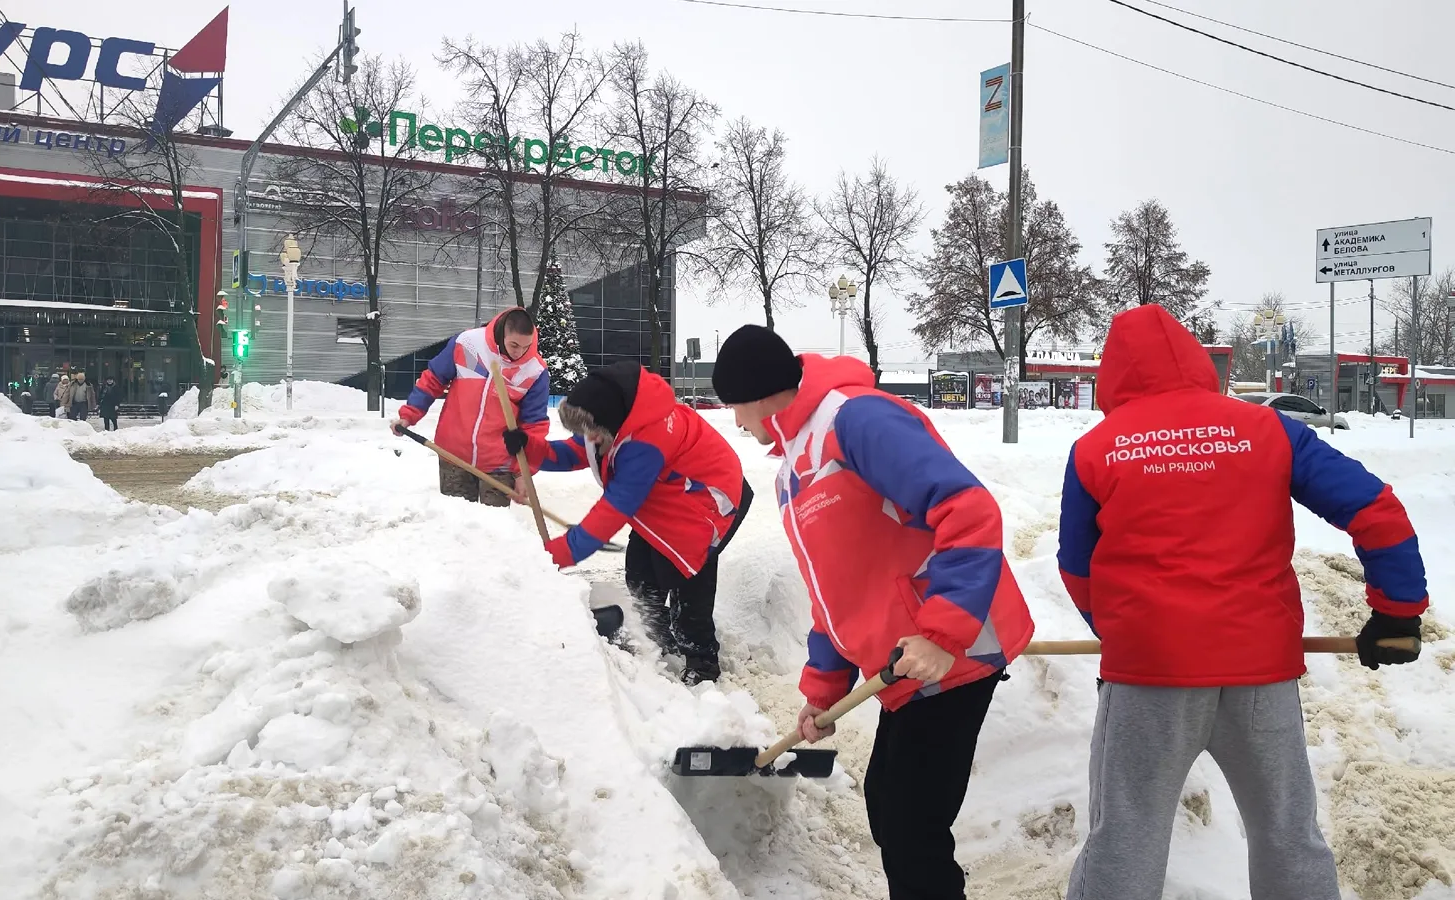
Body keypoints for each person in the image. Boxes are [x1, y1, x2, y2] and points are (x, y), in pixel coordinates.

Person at [1056, 305, 1427, 900]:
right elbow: (1374, 510)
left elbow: (1076, 567)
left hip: (1150, 675)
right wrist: (1397, 610)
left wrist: (1121, 631)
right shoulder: (1268, 428)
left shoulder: (1098, 448)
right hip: (1262, 673)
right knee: (1288, 836)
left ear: (1112, 373)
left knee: (1127, 839)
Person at [710, 325, 1033, 900]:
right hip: (907, 665)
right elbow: (833, 593)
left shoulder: (856, 420)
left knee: (911, 827)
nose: (735, 422)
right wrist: (823, 690)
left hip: (950, 653)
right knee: (890, 809)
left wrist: (940, 632)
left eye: (734, 406)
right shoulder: (793, 468)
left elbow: (967, 509)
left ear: (757, 394)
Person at [503, 360, 749, 684]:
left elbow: (614, 508)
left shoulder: (647, 440)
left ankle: (702, 667)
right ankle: (659, 640)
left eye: (592, 431)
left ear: (612, 424)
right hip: (665, 500)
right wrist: (531, 448)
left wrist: (558, 553)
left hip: (706, 504)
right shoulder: (615, 419)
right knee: (640, 574)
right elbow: (577, 452)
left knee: (687, 585)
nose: (588, 438)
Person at [390, 308, 549, 507]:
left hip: (499, 463)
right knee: (457, 526)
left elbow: (534, 426)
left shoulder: (535, 370)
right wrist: (409, 415)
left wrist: (523, 472)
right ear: (502, 334)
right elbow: (433, 379)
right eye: (514, 345)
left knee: (493, 528)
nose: (520, 352)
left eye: (526, 346)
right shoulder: (467, 344)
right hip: (453, 454)